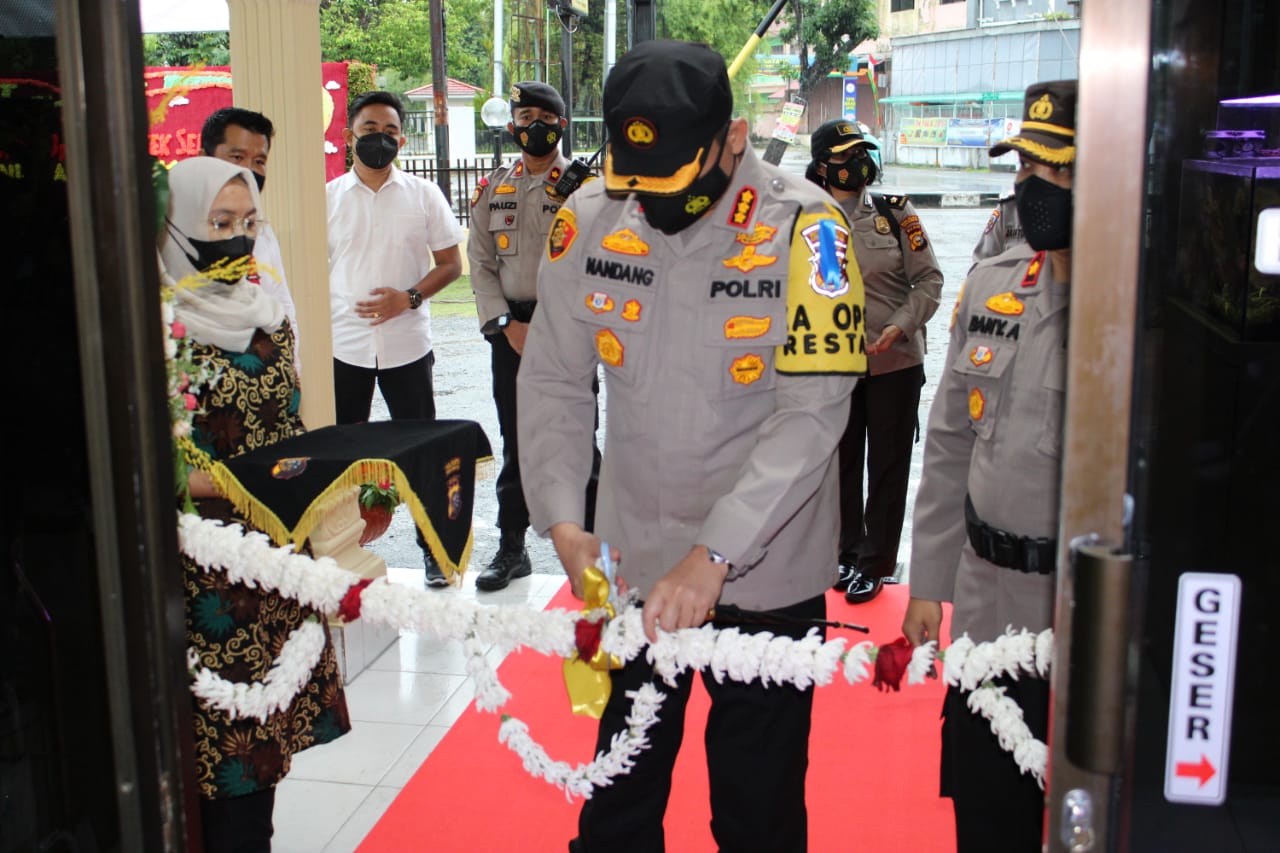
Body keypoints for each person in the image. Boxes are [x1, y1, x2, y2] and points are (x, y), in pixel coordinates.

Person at [518, 40, 867, 852]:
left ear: (733, 138)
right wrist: (566, 523)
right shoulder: (591, 217)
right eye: (638, 182)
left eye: (677, 179)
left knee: (757, 806)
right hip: (632, 561)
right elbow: (556, 383)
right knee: (619, 796)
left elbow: (814, 413)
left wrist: (714, 555)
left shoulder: (809, 230)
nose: (655, 204)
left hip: (766, 566)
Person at [901, 80, 1078, 853]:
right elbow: (947, 446)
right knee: (985, 803)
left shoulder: (1138, 307)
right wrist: (928, 587)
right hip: (982, 599)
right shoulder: (997, 284)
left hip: (1079, 614)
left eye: (1058, 171)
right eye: (1026, 168)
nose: (1033, 188)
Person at [162, 157, 350, 852]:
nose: (235, 240)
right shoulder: (151, 327)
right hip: (201, 583)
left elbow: (287, 428)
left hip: (273, 566)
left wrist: (335, 489)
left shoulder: (266, 311)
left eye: (247, 224)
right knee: (213, 776)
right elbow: (142, 462)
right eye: (217, 224)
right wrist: (225, 484)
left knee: (259, 775)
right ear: (177, 224)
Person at [326, 90, 464, 586]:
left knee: (419, 448)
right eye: (369, 131)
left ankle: (433, 550)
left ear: (402, 139)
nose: (379, 141)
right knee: (340, 450)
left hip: (407, 346)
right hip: (343, 348)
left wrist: (406, 298)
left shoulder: (424, 195)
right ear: (349, 136)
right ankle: (337, 548)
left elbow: (452, 264)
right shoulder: (327, 198)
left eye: (389, 132)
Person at [467, 81, 600, 591]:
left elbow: (602, 261)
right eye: (524, 118)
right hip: (511, 335)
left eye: (544, 117)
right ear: (512, 126)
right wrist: (505, 323)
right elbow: (479, 261)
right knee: (517, 440)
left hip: (567, 332)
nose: (533, 127)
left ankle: (595, 545)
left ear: (562, 125)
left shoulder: (587, 187)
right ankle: (512, 547)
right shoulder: (495, 187)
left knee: (576, 438)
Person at [805, 119, 943, 604]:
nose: (860, 163)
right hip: (831, 365)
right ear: (824, 166)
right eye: (847, 156)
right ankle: (844, 552)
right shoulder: (804, 215)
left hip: (894, 362)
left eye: (863, 152)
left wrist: (901, 325)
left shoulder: (895, 213)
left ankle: (876, 561)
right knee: (839, 463)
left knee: (887, 465)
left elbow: (929, 281)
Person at [200, 106, 301, 367]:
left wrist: (292, 369)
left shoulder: (262, 230)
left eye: (259, 161)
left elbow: (283, 305)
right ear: (204, 159)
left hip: (264, 382)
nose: (248, 171)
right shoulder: (179, 234)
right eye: (237, 157)